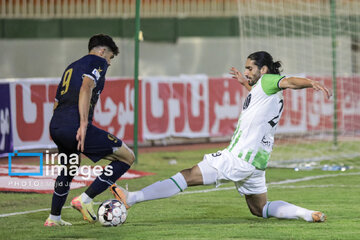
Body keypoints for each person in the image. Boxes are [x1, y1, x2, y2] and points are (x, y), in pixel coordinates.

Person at [111, 51, 331, 222]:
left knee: (186, 175)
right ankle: (307, 214)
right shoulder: (264, 91)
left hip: (238, 158)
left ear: (263, 69)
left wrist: (309, 82)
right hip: (257, 162)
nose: (246, 72)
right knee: (259, 209)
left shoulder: (268, 81)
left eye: (250, 68)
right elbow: (260, 99)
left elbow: (289, 81)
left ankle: (132, 198)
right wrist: (245, 84)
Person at [44, 34, 135, 227]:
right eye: (110, 58)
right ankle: (84, 200)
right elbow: (86, 87)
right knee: (127, 157)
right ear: (102, 51)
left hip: (57, 125)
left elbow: (57, 101)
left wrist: (60, 128)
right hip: (75, 125)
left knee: (69, 168)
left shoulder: (72, 66)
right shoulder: (97, 61)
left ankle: (54, 218)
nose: (109, 63)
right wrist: (83, 124)